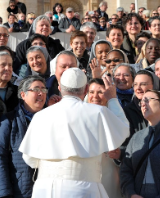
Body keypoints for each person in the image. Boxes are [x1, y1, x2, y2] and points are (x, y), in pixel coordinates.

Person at [19, 68, 130, 198]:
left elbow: (29, 158)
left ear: (59, 87)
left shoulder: (41, 116)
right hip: (84, 188)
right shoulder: (98, 112)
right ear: (86, 88)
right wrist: (112, 99)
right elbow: (122, 129)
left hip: (45, 189)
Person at [0, 76, 47, 198]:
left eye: (44, 90)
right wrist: (4, 193)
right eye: (36, 89)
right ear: (23, 95)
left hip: (47, 188)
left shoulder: (51, 119)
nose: (41, 93)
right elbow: (0, 157)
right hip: (20, 189)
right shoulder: (9, 120)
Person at [86, 78, 128, 198]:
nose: (95, 96)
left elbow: (126, 134)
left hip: (110, 175)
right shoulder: (80, 116)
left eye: (100, 92)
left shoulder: (115, 115)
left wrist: (120, 154)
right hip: (87, 176)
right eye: (91, 92)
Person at [122, 70, 160, 161]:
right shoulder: (127, 111)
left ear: (154, 86)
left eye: (143, 84)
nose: (138, 88)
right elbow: (125, 145)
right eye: (135, 84)